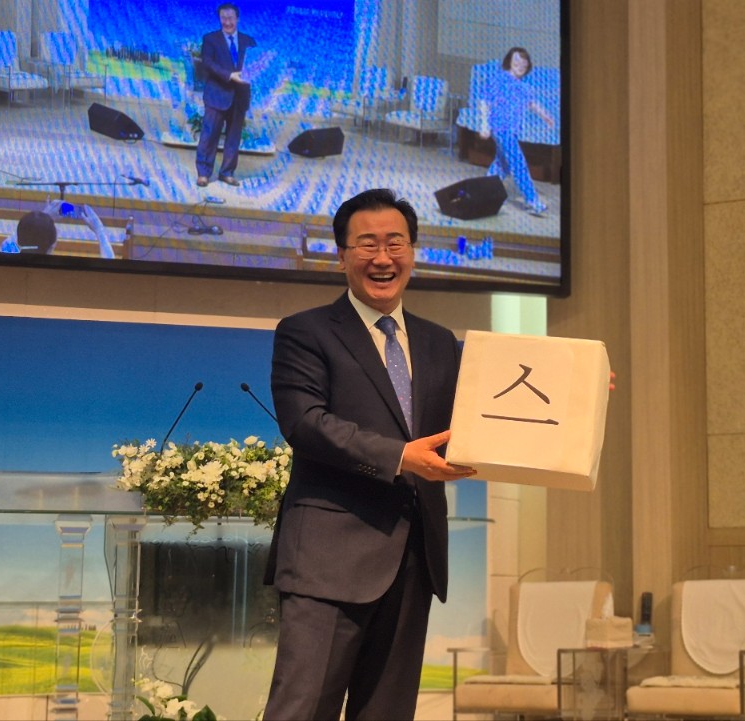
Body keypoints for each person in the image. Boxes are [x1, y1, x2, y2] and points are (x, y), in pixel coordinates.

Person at [263, 188, 475, 720]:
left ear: (413, 251)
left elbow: (486, 409)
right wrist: (400, 457)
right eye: (368, 244)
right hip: (327, 564)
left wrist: (575, 392)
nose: (383, 258)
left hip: (415, 562)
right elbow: (305, 423)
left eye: (396, 243)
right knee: (301, 710)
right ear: (342, 256)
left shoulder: (439, 341)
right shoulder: (305, 332)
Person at [478, 46, 556, 216]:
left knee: (502, 164)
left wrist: (546, 116)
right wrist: (484, 125)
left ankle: (483, 192)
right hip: (500, 127)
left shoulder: (524, 87)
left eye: (524, 65)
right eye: (517, 63)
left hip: (512, 130)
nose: (520, 67)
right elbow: (484, 101)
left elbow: (532, 104)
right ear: (509, 62)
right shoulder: (499, 79)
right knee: (518, 162)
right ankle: (532, 200)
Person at [195, 2, 256, 188]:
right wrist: (229, 75)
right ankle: (203, 173)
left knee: (233, 137)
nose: (227, 22)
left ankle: (227, 173)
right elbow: (208, 63)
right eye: (223, 18)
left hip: (240, 97)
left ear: (237, 18)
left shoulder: (249, 41)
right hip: (216, 95)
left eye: (230, 18)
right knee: (209, 135)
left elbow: (255, 67)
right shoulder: (210, 39)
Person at [0, 199, 116, 259]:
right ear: (53, 245)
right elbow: (109, 268)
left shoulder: (5, 266)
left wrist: (44, 217)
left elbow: (6, 245)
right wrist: (99, 230)